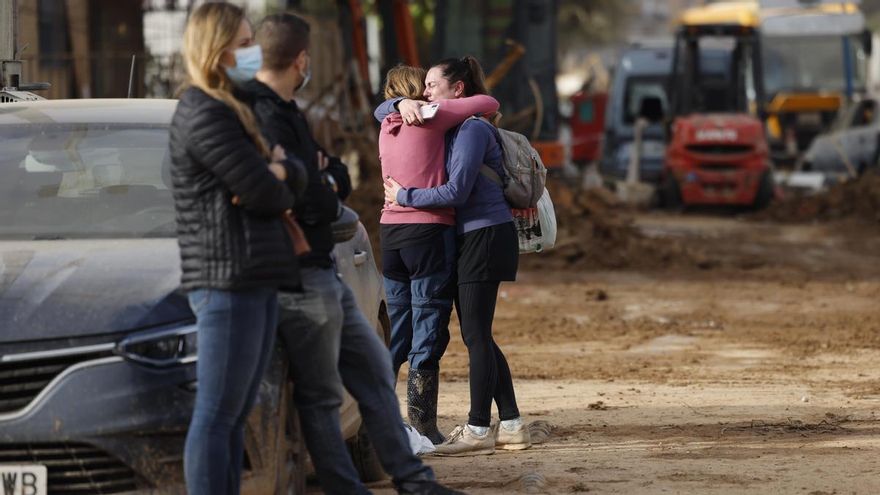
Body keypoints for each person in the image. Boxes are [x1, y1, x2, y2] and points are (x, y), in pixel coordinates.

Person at [242, 13, 462, 495]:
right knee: (329, 391)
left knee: (368, 376)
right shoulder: (257, 113)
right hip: (297, 270)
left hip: (331, 262)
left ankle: (412, 479)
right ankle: (376, 477)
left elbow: (333, 174)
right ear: (301, 60)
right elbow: (306, 190)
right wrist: (316, 180)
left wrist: (316, 177)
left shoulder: (290, 109)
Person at [168, 3, 304, 493]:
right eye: (245, 44)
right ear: (217, 48)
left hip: (251, 276)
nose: (254, 53)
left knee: (235, 413)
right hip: (226, 281)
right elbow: (268, 191)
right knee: (217, 414)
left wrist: (283, 171)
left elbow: (289, 177)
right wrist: (279, 172)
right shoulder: (203, 111)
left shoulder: (235, 108)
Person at [380, 56, 531, 456]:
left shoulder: (472, 130)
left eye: (431, 85)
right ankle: (512, 422)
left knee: (476, 334)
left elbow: (456, 193)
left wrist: (405, 196)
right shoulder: (451, 124)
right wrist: (396, 105)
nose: (425, 92)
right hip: (473, 237)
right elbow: (385, 107)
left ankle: (480, 426)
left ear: (458, 89)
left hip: (484, 235)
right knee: (478, 333)